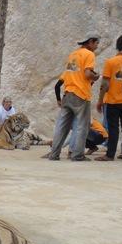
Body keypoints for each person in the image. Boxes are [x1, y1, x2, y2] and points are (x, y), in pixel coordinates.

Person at [46, 33, 100, 161]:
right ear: (90, 42)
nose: (97, 46)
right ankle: (77, 155)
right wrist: (96, 76)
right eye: (96, 43)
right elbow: (87, 74)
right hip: (81, 94)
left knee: (62, 126)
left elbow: (69, 75)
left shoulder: (73, 55)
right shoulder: (89, 54)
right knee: (81, 126)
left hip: (68, 93)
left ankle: (54, 154)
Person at [95, 34, 122, 161]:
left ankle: (110, 154)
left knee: (113, 128)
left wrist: (100, 101)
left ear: (117, 45)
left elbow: (105, 84)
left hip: (112, 101)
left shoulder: (110, 62)